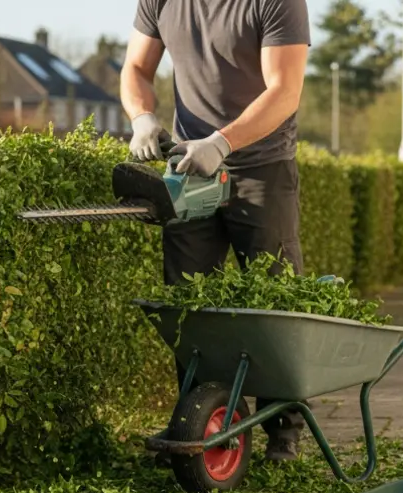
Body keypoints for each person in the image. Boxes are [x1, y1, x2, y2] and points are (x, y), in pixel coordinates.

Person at [121, 0, 311, 462]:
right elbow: (136, 67)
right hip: (190, 169)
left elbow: (285, 90)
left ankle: (283, 426)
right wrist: (141, 115)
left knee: (273, 298)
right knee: (189, 303)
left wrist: (223, 142)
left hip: (261, 169)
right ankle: (200, 420)